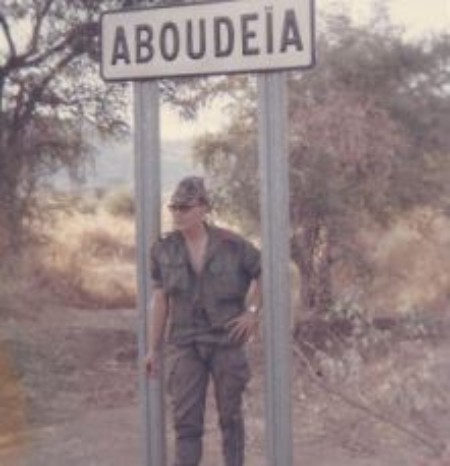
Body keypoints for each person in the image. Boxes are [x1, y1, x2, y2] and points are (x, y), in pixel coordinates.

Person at [145, 176, 262, 466]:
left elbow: (265, 272)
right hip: (185, 343)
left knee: (231, 419)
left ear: (204, 208)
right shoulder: (164, 249)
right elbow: (160, 300)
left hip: (226, 341)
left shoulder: (232, 245)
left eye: (185, 207)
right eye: (174, 208)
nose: (178, 214)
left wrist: (253, 312)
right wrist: (152, 348)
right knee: (186, 423)